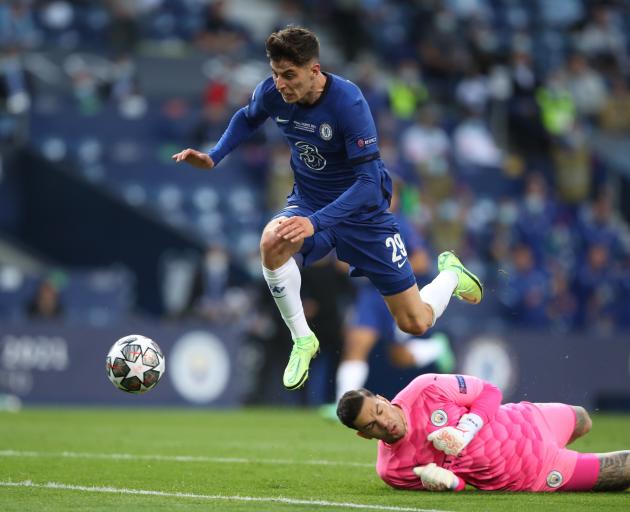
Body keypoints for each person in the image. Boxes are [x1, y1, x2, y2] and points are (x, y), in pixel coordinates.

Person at [172, 26, 483, 391]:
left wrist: (314, 223)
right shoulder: (273, 92)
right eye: (275, 74)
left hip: (362, 212)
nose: (281, 84)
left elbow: (368, 184)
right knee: (271, 242)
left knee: (414, 322)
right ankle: (303, 339)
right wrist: (214, 156)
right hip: (309, 200)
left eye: (289, 75)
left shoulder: (348, 102)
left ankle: (451, 275)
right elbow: (248, 116)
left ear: (314, 71)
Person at [337, 373, 630, 492]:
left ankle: (564, 449)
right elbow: (461, 487)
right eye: (371, 426)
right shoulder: (393, 470)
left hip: (528, 418)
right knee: (624, 470)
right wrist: (448, 483)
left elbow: (489, 391)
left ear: (383, 399)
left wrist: (466, 428)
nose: (383, 422)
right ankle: (564, 461)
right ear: (365, 435)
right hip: (533, 471)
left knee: (583, 418)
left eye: (379, 411)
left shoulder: (426, 387)